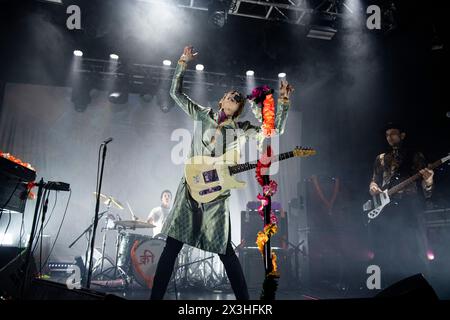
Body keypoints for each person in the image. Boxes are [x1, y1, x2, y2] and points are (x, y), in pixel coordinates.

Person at [150, 45, 293, 300]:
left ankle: (245, 305)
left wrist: (282, 103)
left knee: (225, 252)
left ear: (239, 109)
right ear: (222, 101)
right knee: (171, 248)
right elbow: (175, 92)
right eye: (230, 95)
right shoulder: (202, 115)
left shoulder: (243, 128)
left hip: (216, 196)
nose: (234, 97)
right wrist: (183, 62)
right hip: (191, 192)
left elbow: (274, 131)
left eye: (238, 98)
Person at [368, 122, 433, 288]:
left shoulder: (415, 156)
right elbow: (374, 181)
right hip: (387, 207)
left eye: (394, 133)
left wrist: (429, 181)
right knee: (387, 245)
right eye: (387, 135)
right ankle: (387, 282)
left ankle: (420, 282)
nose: (390, 137)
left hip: (409, 205)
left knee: (414, 244)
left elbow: (426, 185)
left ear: (402, 135)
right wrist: (373, 187)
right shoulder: (381, 158)